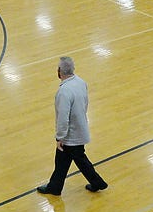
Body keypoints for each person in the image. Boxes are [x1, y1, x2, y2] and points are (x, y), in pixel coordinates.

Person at [37, 56, 108, 195]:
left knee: (77, 160)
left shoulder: (64, 92)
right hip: (79, 129)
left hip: (71, 135)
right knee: (63, 161)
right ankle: (55, 187)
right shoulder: (81, 82)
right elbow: (85, 104)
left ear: (59, 72)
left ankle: (98, 182)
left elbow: (63, 118)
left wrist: (59, 137)